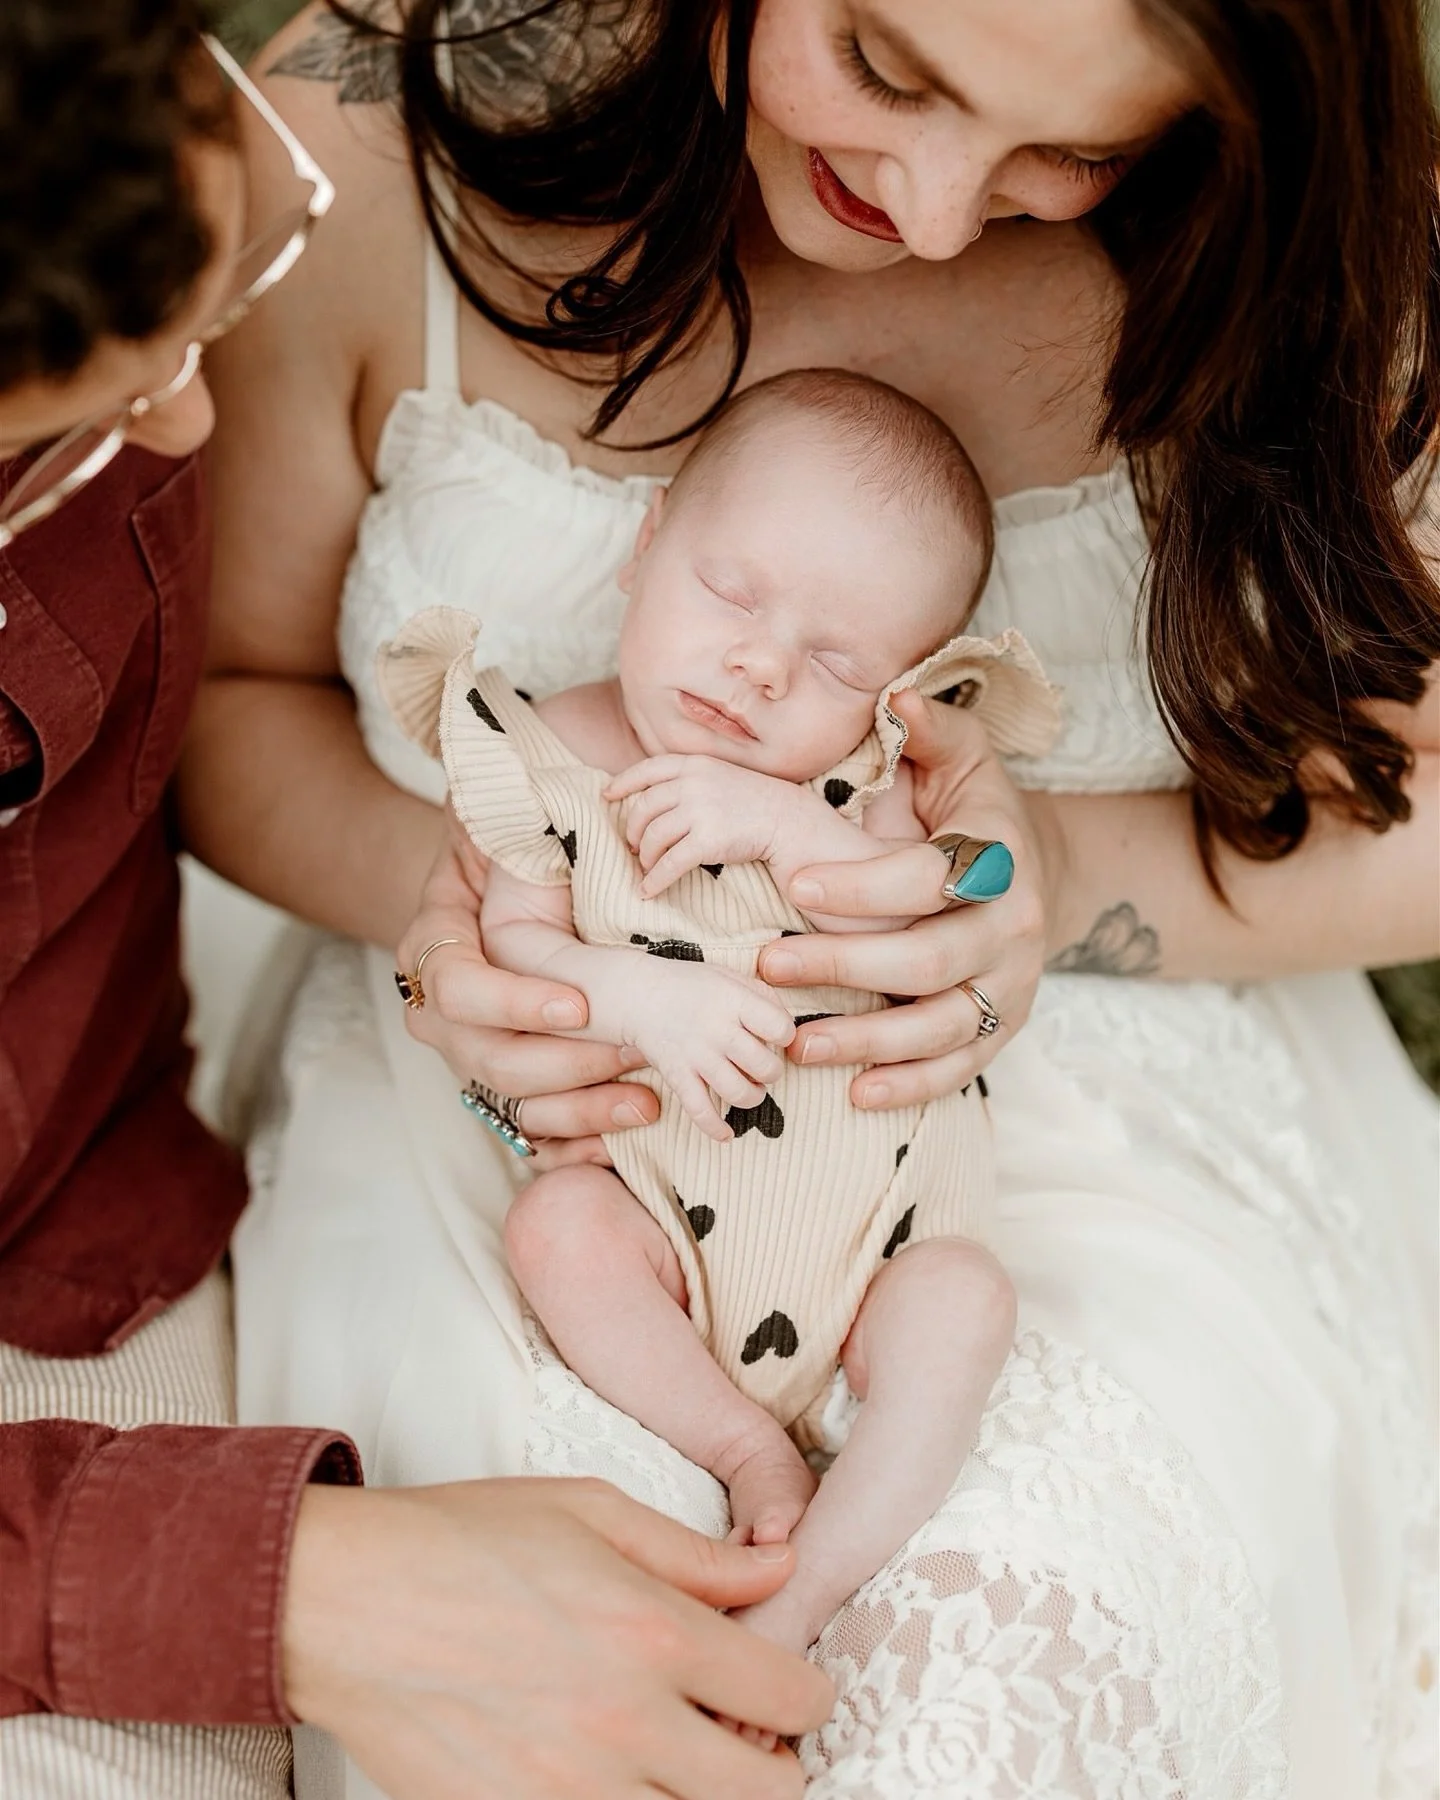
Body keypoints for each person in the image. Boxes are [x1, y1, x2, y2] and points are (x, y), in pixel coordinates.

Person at [185, 0, 1440, 1793]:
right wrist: (497, 918)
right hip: (512, 1076)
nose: (934, 210)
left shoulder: (1300, 260)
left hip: (1056, 1103)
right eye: (883, 67)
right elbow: (225, 712)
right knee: (552, 1620)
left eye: (1072, 151)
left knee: (1008, 1671)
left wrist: (1056, 878)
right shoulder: (374, 142)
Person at [0, 8, 832, 1800]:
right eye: (68, 428)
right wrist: (296, 1588)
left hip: (94, 1218)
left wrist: (483, 907)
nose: (187, 419)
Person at [381, 368, 1057, 1657]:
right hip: (656, 1214)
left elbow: (922, 929)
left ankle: (812, 1586)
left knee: (964, 1304)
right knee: (559, 1231)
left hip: (875, 1237)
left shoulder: (868, 792)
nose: (758, 664)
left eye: (836, 661)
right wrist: (639, 994)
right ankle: (745, 1447)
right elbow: (515, 939)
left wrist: (792, 822)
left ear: (898, 698)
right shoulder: (550, 755)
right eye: (732, 595)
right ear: (644, 551)